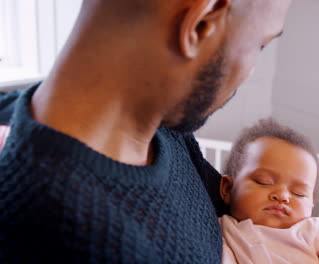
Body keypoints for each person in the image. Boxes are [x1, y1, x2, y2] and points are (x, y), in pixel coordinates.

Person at [0, 0, 292, 263]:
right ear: (200, 23)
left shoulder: (162, 127)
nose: (251, 70)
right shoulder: (78, 239)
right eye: (260, 45)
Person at [219, 119, 319, 263]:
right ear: (227, 189)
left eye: (298, 193)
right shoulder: (224, 231)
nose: (282, 196)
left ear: (312, 204)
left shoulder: (316, 232)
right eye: (264, 182)